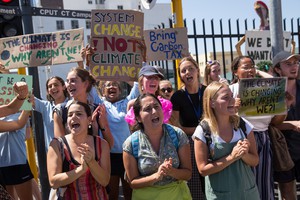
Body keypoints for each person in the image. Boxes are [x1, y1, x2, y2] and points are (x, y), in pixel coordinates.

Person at [229, 55, 285, 200]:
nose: (250, 70)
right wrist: (232, 109)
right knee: (244, 182)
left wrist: (283, 108)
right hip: (240, 140)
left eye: (252, 66)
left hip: (263, 139)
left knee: (264, 182)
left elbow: (276, 121)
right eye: (245, 67)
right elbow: (221, 119)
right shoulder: (230, 91)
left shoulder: (267, 89)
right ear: (235, 72)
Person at [193, 81, 260, 199]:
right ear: (212, 103)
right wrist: (231, 157)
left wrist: (244, 155)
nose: (232, 100)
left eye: (231, 96)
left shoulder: (243, 125)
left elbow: (255, 161)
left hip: (248, 194)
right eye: (225, 97)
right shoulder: (203, 131)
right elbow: (203, 170)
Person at [123, 94, 192, 200]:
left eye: (156, 106)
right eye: (147, 109)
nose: (154, 112)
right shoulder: (131, 144)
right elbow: (133, 182)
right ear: (138, 118)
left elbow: (188, 174)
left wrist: (172, 171)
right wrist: (156, 176)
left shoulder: (178, 135)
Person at [47, 101, 110, 199]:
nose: (73, 117)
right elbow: (53, 182)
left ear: (89, 120)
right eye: (70, 115)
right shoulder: (57, 145)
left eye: (79, 114)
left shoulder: (102, 144)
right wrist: (81, 169)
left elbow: (105, 181)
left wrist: (91, 162)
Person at [170, 56, 206, 199]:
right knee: (195, 184)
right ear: (181, 76)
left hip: (211, 141)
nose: (187, 72)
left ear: (197, 70)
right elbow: (176, 125)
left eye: (190, 69)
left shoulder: (208, 91)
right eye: (183, 70)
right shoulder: (177, 96)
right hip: (190, 143)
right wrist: (200, 130)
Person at [97, 80, 139, 200]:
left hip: (128, 155)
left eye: (115, 84)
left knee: (129, 192)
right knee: (112, 194)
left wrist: (122, 73)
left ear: (120, 90)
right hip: (108, 156)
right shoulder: (101, 103)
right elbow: (88, 84)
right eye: (108, 85)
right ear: (102, 91)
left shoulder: (127, 103)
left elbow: (136, 85)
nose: (112, 87)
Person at [53, 67, 114, 148]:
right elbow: (60, 145)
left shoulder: (97, 110)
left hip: (94, 159)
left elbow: (109, 145)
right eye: (67, 81)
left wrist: (103, 125)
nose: (69, 84)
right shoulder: (60, 110)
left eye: (73, 81)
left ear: (86, 84)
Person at [272, 51, 300, 200]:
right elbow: (269, 124)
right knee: (287, 192)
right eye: (288, 64)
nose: (294, 66)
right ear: (277, 69)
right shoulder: (272, 92)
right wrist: (291, 124)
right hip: (282, 149)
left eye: (295, 63)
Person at [30, 76, 69, 150]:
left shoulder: (73, 104)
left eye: (56, 85)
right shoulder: (46, 106)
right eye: (50, 86)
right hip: (54, 153)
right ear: (48, 91)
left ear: (64, 87)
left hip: (72, 152)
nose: (53, 88)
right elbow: (29, 98)